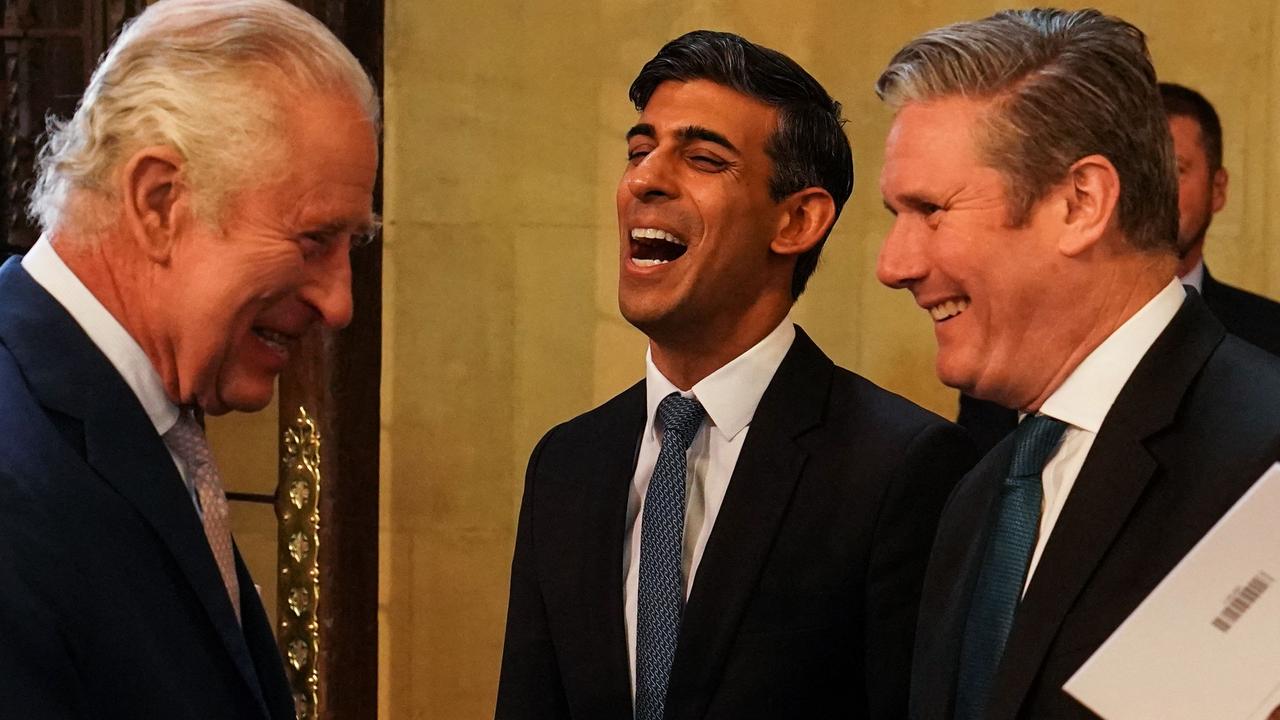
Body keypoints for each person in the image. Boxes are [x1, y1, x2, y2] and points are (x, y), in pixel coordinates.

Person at [496, 30, 975, 720]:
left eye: (701, 159)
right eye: (638, 151)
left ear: (798, 220)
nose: (644, 180)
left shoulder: (903, 467)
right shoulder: (566, 466)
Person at [875, 9, 1280, 718]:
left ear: (1080, 203)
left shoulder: (1266, 456)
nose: (894, 264)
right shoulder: (976, 497)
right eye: (895, 216)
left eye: (931, 210)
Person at [0, 0, 379, 717]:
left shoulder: (142, 426)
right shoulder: (15, 466)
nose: (339, 304)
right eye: (314, 239)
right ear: (159, 200)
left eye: (351, 245)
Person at [956, 81, 1280, 455]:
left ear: (1218, 188)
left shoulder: (1269, 339)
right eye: (1138, 173)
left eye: (1175, 169)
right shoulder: (1016, 341)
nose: (1155, 191)